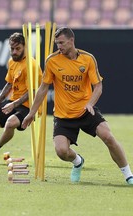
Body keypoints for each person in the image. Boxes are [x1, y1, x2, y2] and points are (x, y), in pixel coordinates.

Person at [21, 27, 133, 185]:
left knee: (108, 137)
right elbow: (43, 88)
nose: (58, 46)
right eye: (56, 43)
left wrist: (90, 103)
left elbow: (98, 87)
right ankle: (78, 161)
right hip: (63, 115)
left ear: (71, 41)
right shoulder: (52, 60)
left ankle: (128, 175)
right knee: (61, 152)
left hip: (86, 111)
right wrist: (31, 113)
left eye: (61, 43)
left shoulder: (88, 59)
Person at [0, 32, 42, 164]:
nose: (14, 52)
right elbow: (9, 84)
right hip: (14, 102)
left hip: (30, 106)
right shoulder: (12, 61)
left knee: (10, 123)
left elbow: (33, 91)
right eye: (12, 49)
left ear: (24, 47)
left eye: (18, 49)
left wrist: (14, 104)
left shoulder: (31, 65)